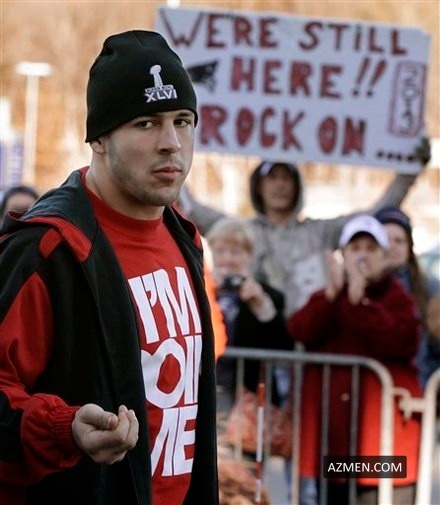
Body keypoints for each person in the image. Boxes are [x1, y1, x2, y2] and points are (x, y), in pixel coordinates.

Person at [0, 30, 219, 505]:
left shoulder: (183, 237)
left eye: (183, 121)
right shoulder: (48, 248)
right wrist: (63, 429)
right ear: (99, 138)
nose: (171, 144)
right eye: (146, 123)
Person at [286, 215, 422, 505]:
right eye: (355, 248)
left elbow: (401, 341)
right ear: (343, 255)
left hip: (385, 444)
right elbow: (299, 330)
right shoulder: (329, 296)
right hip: (336, 443)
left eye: (371, 249)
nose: (363, 256)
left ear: (384, 257)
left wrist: (361, 303)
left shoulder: (398, 298)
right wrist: (331, 296)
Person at [205, 217, 292, 415]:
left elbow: (284, 345)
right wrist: (208, 291)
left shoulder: (268, 295)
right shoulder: (199, 289)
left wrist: (261, 305)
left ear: (249, 256)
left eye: (236, 252)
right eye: (220, 251)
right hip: (209, 386)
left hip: (250, 394)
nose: (227, 259)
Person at [375, 205, 440, 387]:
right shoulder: (356, 286)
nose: (392, 247)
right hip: (371, 388)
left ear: (409, 246)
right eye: (385, 239)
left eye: (399, 241)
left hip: (416, 388)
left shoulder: (430, 288)